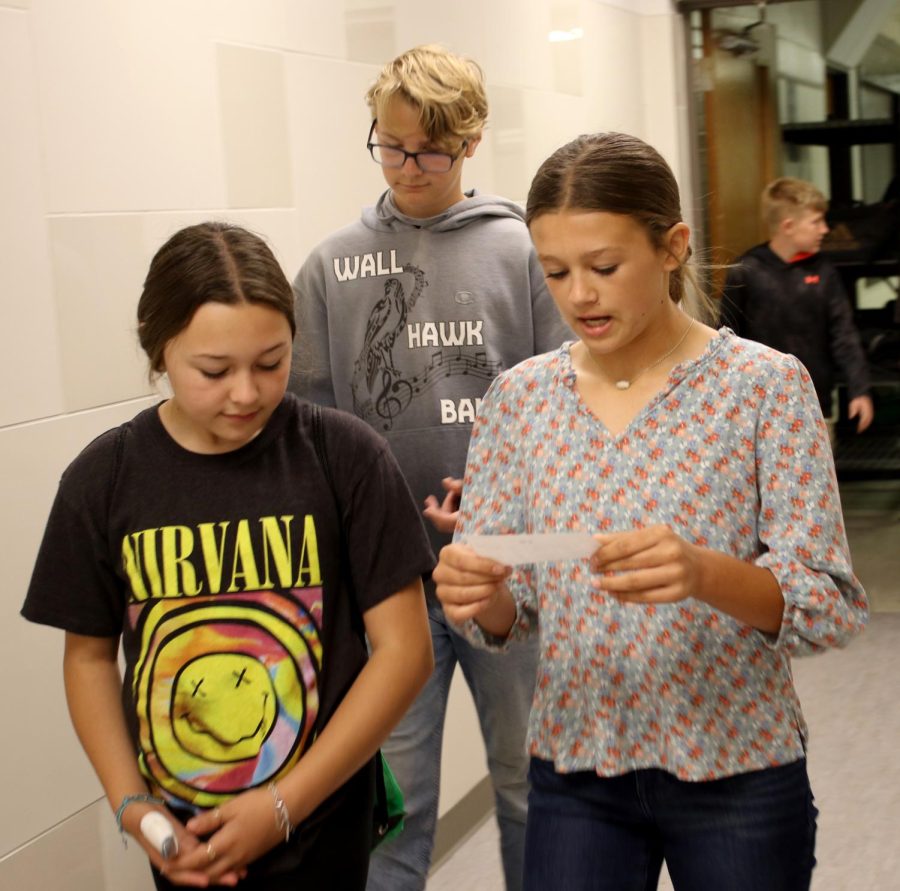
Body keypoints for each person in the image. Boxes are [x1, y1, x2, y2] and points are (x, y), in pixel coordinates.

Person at [433, 133, 869, 891]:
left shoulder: (764, 387)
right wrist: (484, 596)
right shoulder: (520, 399)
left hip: (737, 764)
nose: (579, 296)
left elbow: (826, 604)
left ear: (672, 247)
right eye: (556, 271)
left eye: (604, 267)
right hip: (576, 766)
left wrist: (703, 572)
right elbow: (511, 612)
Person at [21, 222, 435, 890]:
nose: (246, 393)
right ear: (159, 352)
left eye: (271, 363)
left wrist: (284, 804)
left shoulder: (344, 456)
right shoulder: (104, 479)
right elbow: (91, 658)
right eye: (214, 371)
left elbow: (405, 651)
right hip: (181, 836)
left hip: (323, 822)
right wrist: (133, 806)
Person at [290, 44, 571, 891]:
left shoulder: (521, 250)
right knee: (395, 802)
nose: (408, 167)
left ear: (471, 143)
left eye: (430, 151)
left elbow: (565, 406)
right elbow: (309, 424)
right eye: (391, 145)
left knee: (530, 785)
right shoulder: (331, 265)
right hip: (386, 579)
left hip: (505, 570)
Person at [720, 176, 875, 438]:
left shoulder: (824, 271)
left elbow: (844, 334)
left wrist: (860, 389)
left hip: (816, 402)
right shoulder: (747, 270)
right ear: (788, 226)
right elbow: (725, 338)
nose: (825, 229)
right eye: (816, 222)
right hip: (760, 406)